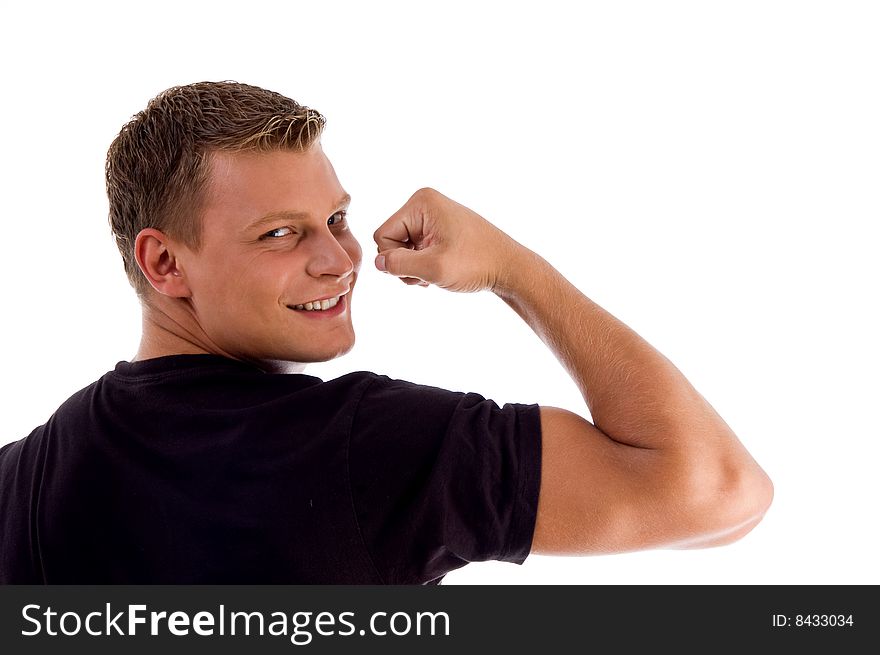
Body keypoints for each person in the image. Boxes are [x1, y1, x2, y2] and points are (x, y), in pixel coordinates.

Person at [0, 81, 773, 584]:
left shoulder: (19, 477)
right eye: (280, 234)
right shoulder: (359, 445)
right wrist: (512, 268)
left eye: (334, 219)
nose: (339, 258)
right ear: (165, 262)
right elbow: (719, 492)